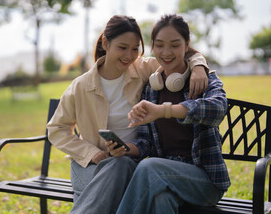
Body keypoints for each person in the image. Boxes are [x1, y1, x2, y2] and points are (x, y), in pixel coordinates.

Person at [47, 15, 209, 214]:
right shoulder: (81, 86)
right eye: (122, 48)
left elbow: (177, 56)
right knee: (114, 172)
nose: (129, 56)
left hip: (131, 164)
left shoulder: (142, 69)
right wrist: (93, 154)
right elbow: (57, 129)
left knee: (121, 164)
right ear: (105, 43)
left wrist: (199, 66)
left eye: (135, 49)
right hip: (91, 167)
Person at [112, 14, 231, 214]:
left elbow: (217, 109)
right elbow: (146, 142)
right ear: (152, 47)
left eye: (175, 45)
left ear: (187, 45)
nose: (166, 52)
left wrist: (163, 111)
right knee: (161, 199)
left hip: (205, 181)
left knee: (149, 167)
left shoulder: (206, 81)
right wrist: (124, 149)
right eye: (159, 45)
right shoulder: (152, 88)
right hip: (165, 177)